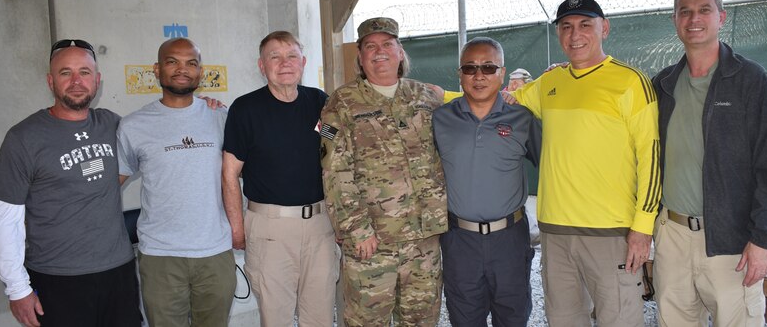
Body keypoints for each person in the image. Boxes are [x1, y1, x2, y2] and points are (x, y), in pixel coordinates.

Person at [512, 0, 661, 326]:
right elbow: (497, 100)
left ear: (604, 28)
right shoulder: (549, 82)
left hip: (612, 233)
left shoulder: (631, 82)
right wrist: (434, 94)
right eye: (566, 26)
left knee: (619, 319)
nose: (574, 34)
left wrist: (643, 227)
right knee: (563, 319)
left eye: (584, 25)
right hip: (555, 233)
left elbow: (651, 158)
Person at [652, 0, 767, 326]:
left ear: (721, 17)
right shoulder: (663, 85)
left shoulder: (751, 81)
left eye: (704, 9)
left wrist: (763, 240)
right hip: (672, 236)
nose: (694, 19)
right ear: (675, 19)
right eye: (685, 11)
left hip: (731, 241)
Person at [0, 39, 141, 327]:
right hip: (57, 279)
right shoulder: (23, 138)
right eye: (65, 73)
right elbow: (4, 219)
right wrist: (17, 288)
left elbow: (158, 138)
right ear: (51, 81)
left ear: (97, 80)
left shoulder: (112, 124)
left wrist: (203, 107)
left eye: (84, 72)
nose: (76, 81)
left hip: (118, 273)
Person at [319, 17, 447, 326]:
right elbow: (334, 171)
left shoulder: (426, 97)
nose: (380, 52)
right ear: (360, 58)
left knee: (422, 320)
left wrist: (510, 95)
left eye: (388, 44)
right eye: (370, 46)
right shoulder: (341, 103)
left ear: (400, 52)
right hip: (372, 243)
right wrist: (356, 230)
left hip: (424, 240)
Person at [117, 37, 236, 326]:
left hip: (215, 253)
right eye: (173, 62)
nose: (182, 69)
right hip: (160, 256)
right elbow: (108, 186)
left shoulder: (220, 116)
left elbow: (242, 170)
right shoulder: (133, 125)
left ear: (200, 72)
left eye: (191, 63)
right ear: (156, 70)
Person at [222, 31, 338, 326]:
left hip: (319, 227)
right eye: (275, 56)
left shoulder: (318, 102)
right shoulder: (245, 110)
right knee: (276, 319)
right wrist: (237, 228)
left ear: (303, 62)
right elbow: (230, 173)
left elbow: (337, 146)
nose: (284, 63)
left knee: (321, 317)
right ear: (262, 65)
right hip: (270, 229)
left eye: (291, 56)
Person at [433, 37, 541, 326]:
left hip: (510, 240)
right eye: (469, 68)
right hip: (460, 241)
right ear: (459, 74)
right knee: (464, 318)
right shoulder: (440, 119)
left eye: (488, 67)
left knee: (513, 317)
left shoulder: (523, 118)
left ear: (502, 73)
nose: (479, 76)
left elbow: (553, 166)